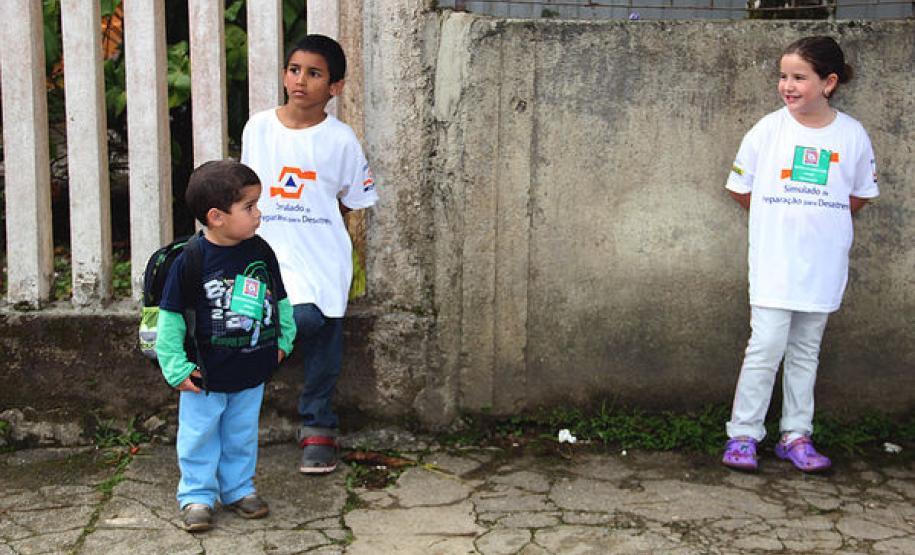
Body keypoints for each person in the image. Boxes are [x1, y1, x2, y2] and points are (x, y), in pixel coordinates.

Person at [721, 36, 879, 473]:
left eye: (798, 77)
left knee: (806, 350)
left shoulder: (851, 134)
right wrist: (781, 218)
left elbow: (860, 195)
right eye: (783, 76)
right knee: (766, 346)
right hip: (774, 263)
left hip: (823, 265)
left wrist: (819, 218)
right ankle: (744, 435)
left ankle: (795, 435)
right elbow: (740, 188)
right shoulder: (768, 130)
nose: (786, 86)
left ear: (829, 82)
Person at [241, 34, 378, 474]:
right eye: (295, 70)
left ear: (334, 87)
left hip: (320, 251)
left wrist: (322, 231)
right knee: (287, 318)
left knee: (319, 321)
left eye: (315, 74)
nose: (301, 81)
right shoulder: (258, 128)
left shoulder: (341, 140)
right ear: (284, 75)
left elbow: (351, 201)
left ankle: (318, 423)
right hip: (267, 251)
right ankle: (231, 411)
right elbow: (248, 191)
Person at [157, 160, 296, 531]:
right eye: (249, 207)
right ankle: (197, 496)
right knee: (199, 435)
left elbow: (279, 299)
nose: (258, 214)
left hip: (252, 368)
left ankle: (237, 488)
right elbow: (169, 316)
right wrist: (175, 367)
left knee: (241, 433)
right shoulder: (191, 260)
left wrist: (283, 340)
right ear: (216, 217)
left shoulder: (260, 251)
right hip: (205, 372)